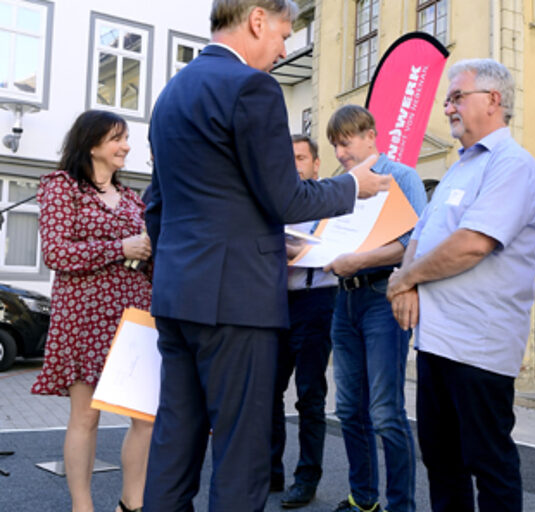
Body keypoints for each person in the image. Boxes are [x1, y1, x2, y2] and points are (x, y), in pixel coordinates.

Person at [142, 1, 389, 511]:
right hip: (237, 302)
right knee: (241, 454)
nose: (283, 48)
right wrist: (351, 185)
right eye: (283, 33)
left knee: (173, 445)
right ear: (257, 20)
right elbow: (286, 199)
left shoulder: (171, 93)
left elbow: (157, 207)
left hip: (176, 296)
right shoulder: (251, 87)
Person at [386, 59, 535, 512]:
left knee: (488, 464)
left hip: (479, 346)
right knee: (442, 462)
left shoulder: (513, 166)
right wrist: (408, 285)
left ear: (493, 100)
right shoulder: (459, 168)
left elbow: (472, 243)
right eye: (447, 99)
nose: (447, 107)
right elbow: (421, 236)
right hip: (437, 341)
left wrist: (403, 279)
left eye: (457, 96)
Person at [31, 110, 154, 512]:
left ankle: (130, 505)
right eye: (118, 138)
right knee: (86, 418)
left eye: (127, 137)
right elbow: (56, 252)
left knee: (146, 418)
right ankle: (81, 507)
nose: (127, 146)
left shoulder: (134, 196)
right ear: (93, 143)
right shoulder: (61, 187)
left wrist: (151, 252)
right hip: (83, 317)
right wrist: (121, 248)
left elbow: (145, 255)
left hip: (134, 316)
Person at [323, 105, 426, 512]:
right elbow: (327, 241)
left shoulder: (402, 177)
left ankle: (401, 505)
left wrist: (358, 262)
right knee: (349, 409)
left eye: (345, 143)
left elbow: (415, 241)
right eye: (334, 146)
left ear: (370, 135)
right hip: (343, 299)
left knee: (385, 411)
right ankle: (364, 498)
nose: (340, 153)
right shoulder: (340, 184)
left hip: (384, 298)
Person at [270, 134, 337, 508]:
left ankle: (307, 478)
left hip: (316, 301)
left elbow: (340, 249)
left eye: (300, 157)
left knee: (310, 396)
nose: (294, 164)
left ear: (315, 164)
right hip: (275, 303)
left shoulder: (330, 204)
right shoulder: (276, 203)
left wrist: (302, 250)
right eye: (288, 157)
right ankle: (271, 470)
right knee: (269, 392)